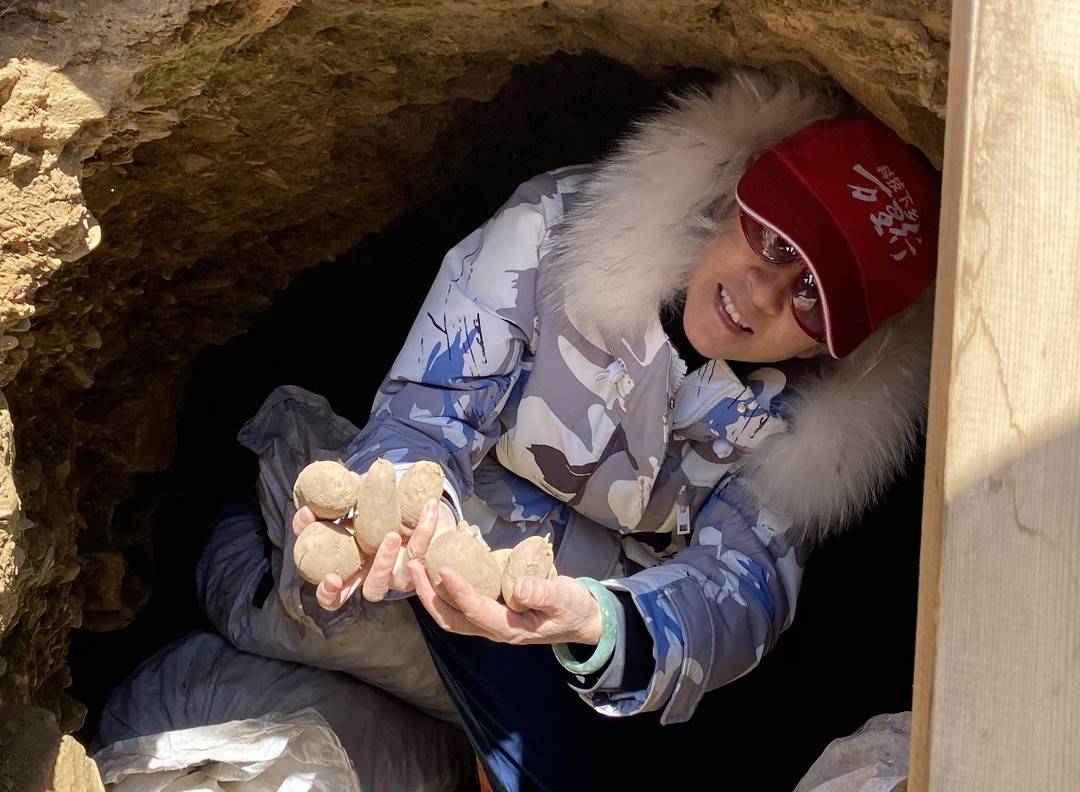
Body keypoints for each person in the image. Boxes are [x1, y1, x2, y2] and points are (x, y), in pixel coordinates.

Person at [290, 68, 940, 789]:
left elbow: (744, 583)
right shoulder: (551, 233)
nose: (763, 293)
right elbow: (428, 409)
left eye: (813, 297)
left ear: (834, 347)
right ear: (736, 193)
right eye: (777, 240)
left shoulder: (811, 425)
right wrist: (404, 510)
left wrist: (599, 622)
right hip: (478, 548)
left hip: (640, 615)